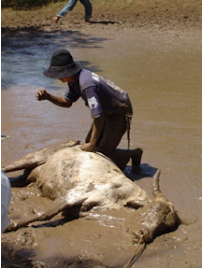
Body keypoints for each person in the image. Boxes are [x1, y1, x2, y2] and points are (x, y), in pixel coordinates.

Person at [35, 49, 143, 171]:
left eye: (58, 74)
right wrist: (48, 97)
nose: (57, 78)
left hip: (119, 111)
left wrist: (92, 144)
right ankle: (119, 160)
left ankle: (134, 153)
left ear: (66, 72)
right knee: (89, 144)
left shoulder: (86, 84)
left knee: (100, 153)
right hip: (107, 109)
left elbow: (98, 116)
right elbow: (67, 102)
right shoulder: (73, 80)